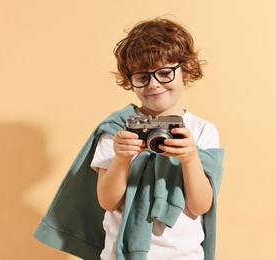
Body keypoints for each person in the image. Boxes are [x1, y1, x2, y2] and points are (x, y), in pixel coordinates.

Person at [34, 17, 224, 260]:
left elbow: (200, 206)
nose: (154, 84)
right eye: (142, 77)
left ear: (185, 71)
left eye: (165, 73)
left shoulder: (201, 131)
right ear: (130, 80)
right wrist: (122, 159)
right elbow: (108, 201)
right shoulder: (117, 129)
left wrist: (190, 158)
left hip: (183, 255)